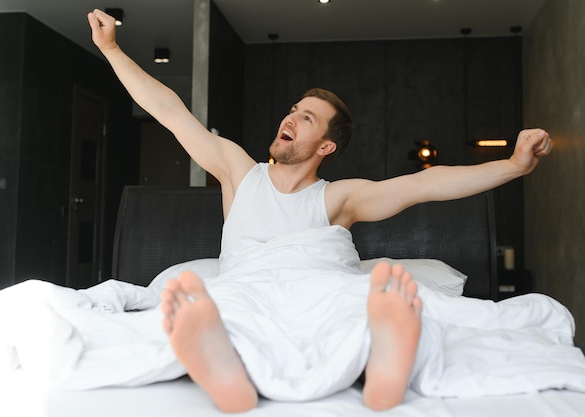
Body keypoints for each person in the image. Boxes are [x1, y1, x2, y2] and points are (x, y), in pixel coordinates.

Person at [87, 9, 553, 413]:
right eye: (293, 109)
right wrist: (111, 50)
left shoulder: (338, 198)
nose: (289, 118)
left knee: (347, 305)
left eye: (305, 118)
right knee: (235, 305)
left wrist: (513, 166)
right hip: (248, 285)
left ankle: (379, 360)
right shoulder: (237, 171)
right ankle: (227, 362)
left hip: (320, 288)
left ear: (326, 145)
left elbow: (423, 184)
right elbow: (170, 111)